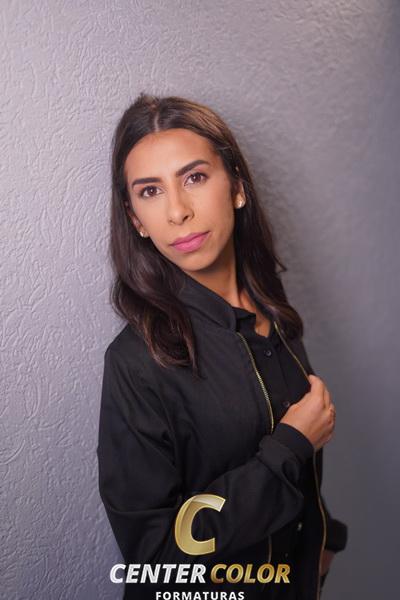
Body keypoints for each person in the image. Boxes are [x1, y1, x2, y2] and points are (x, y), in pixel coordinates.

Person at [96, 93, 348, 599]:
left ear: (236, 186)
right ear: (136, 218)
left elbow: (300, 471)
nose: (177, 211)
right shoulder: (135, 362)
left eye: (194, 177)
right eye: (150, 191)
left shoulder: (273, 311)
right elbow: (154, 559)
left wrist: (325, 539)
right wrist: (289, 448)